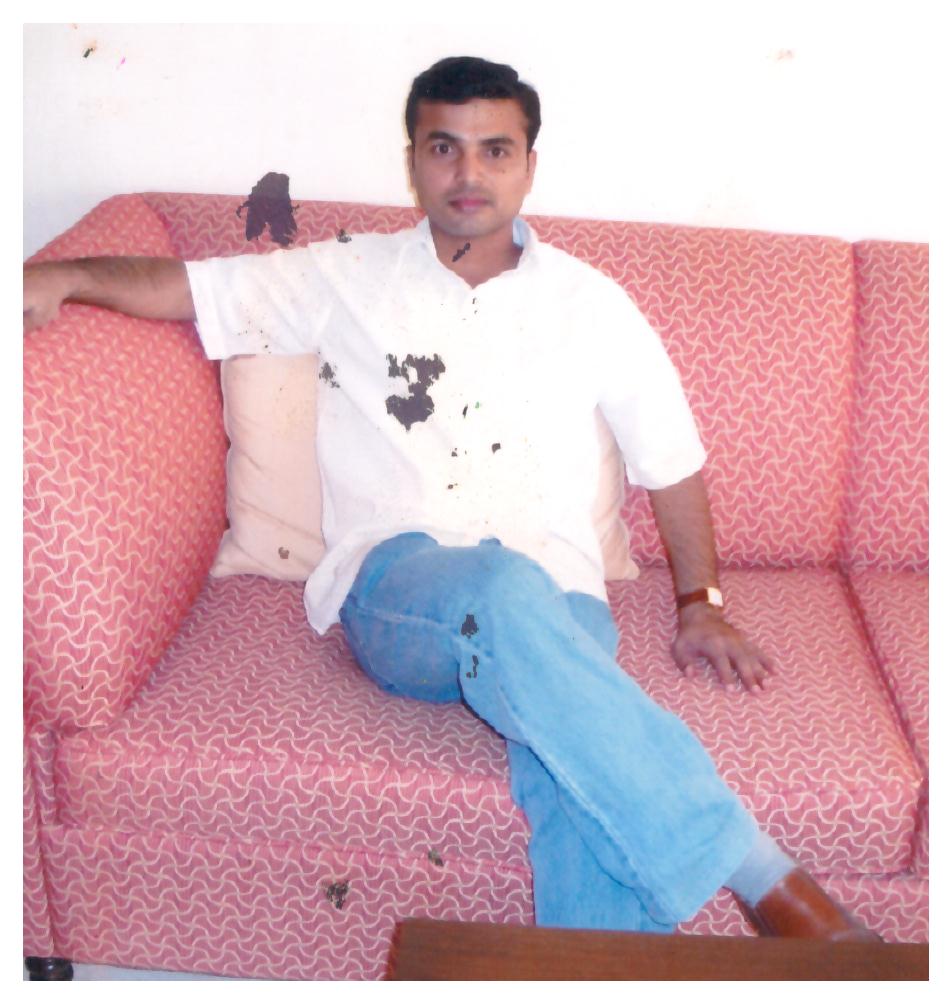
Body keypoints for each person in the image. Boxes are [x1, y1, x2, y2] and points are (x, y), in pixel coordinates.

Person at [23, 55, 877, 941]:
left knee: (573, 769)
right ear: (414, 162)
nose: (469, 172)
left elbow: (671, 460)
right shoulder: (346, 275)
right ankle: (772, 884)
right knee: (503, 595)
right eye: (445, 148)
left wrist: (702, 604)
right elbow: (188, 288)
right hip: (404, 589)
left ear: (529, 166)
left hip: (562, 601)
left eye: (495, 150)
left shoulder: (592, 303)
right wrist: (66, 275)